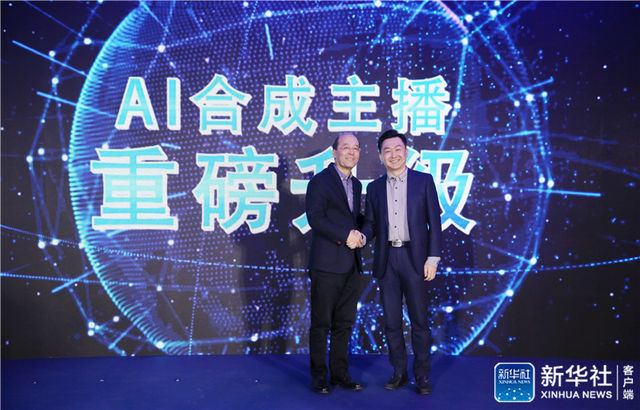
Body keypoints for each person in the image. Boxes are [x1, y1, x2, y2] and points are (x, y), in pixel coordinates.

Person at [360, 129, 442, 395]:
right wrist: (362, 236)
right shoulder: (374, 188)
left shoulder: (423, 181)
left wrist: (433, 259)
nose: (393, 155)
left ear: (406, 152)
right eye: (387, 151)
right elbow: (371, 224)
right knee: (392, 322)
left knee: (419, 321)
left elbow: (435, 223)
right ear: (380, 156)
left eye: (398, 149)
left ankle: (422, 375)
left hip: (415, 259)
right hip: (387, 261)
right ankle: (399, 372)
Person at [305, 133, 367, 394]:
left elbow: (353, 220)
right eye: (346, 147)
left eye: (356, 148)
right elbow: (315, 218)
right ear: (334, 152)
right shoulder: (320, 182)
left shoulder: (357, 185)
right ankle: (319, 377)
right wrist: (345, 236)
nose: (351, 152)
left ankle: (340, 374)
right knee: (321, 324)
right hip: (326, 264)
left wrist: (363, 233)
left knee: (344, 324)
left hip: (351, 265)